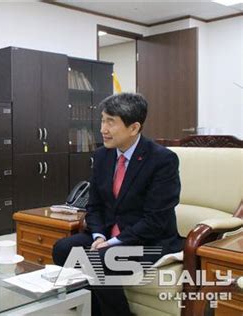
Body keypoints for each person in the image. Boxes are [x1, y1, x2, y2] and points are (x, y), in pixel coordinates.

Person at [52, 93, 184, 316]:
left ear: (134, 128)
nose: (103, 128)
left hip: (148, 240)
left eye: (110, 122)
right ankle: (95, 309)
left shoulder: (162, 160)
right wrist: (99, 237)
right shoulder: (103, 155)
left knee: (101, 259)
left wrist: (113, 243)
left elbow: (156, 221)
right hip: (108, 236)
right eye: (102, 120)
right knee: (63, 248)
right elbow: (94, 206)